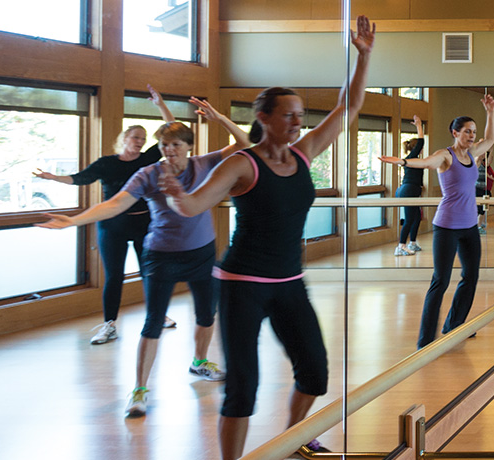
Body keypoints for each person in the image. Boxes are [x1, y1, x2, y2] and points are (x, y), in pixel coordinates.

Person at [158, 16, 373, 459]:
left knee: (315, 372)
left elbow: (347, 110)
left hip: (288, 282)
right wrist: (176, 195)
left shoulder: (304, 151)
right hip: (241, 286)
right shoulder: (242, 163)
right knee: (243, 388)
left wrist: (364, 56)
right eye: (288, 115)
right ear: (264, 118)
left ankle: (292, 442)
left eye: (300, 116)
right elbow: (195, 205)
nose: (297, 122)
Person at [37, 97, 251, 417]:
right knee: (152, 323)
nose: (169, 151)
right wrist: (75, 220)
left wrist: (220, 117)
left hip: (202, 253)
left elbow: (245, 144)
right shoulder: (148, 174)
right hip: (161, 256)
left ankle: (199, 362)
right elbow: (115, 203)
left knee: (207, 315)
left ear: (188, 146)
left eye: (176, 145)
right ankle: (139, 390)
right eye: (164, 145)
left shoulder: (204, 164)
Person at [35, 85, 172, 345]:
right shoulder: (106, 163)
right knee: (114, 276)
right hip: (113, 226)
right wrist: (53, 178)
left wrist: (160, 105)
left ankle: (157, 316)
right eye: (135, 138)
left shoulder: (148, 160)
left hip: (144, 223)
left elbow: (172, 129)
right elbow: (80, 178)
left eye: (143, 138)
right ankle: (109, 324)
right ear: (124, 140)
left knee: (150, 272)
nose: (140, 142)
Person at [382, 94, 494, 349]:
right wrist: (402, 161)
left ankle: (454, 326)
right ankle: (425, 341)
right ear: (455, 133)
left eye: (473, 132)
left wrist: (490, 112)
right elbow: (425, 163)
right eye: (467, 131)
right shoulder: (445, 156)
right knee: (441, 280)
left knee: (471, 277)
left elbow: (489, 140)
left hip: (469, 227)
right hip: (446, 226)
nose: (471, 136)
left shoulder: (473, 154)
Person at [396, 116, 426, 256]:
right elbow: (421, 142)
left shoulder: (415, 160)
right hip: (408, 190)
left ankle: (412, 243)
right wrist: (419, 126)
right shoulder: (411, 158)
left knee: (416, 218)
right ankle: (400, 247)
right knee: (409, 219)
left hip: (412, 190)